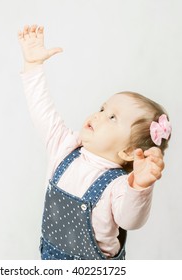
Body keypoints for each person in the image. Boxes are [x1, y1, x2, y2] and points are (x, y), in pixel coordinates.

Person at [18, 24, 172, 260]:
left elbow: (130, 220)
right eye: (102, 108)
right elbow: (42, 110)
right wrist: (33, 66)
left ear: (129, 151)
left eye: (112, 117)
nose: (99, 115)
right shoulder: (64, 146)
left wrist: (139, 187)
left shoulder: (119, 185)